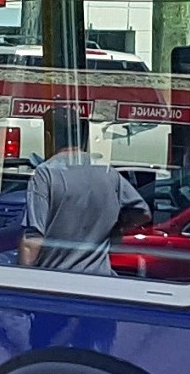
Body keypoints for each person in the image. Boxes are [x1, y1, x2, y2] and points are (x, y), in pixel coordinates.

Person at [19, 110, 148, 273]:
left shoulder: (45, 174)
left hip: (55, 279)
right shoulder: (106, 171)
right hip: (99, 280)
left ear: (48, 136)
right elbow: (142, 213)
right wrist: (113, 229)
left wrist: (23, 280)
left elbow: (33, 240)